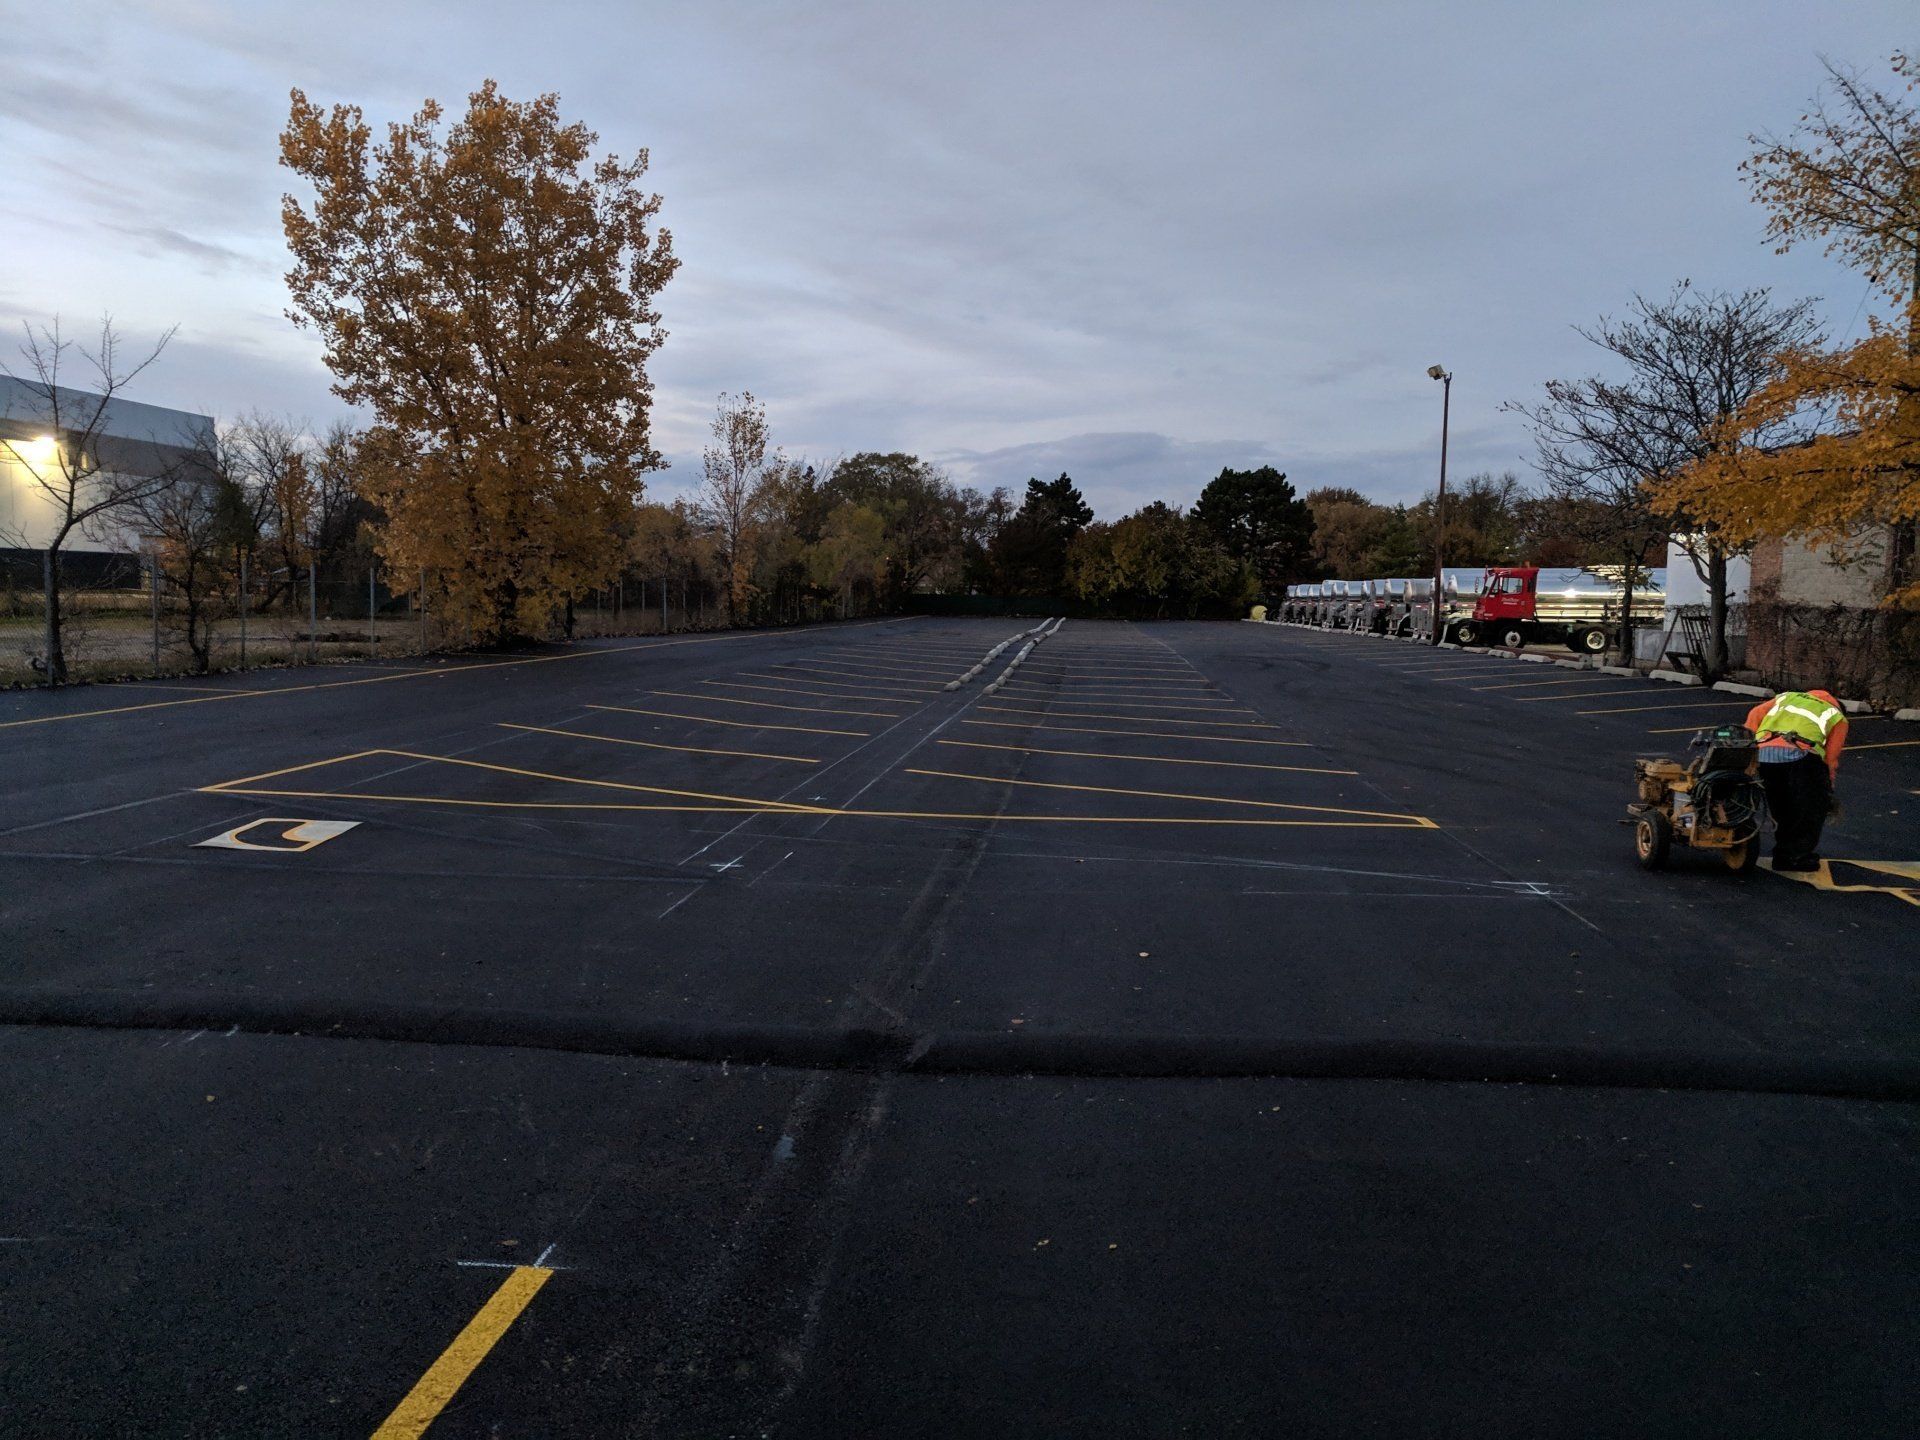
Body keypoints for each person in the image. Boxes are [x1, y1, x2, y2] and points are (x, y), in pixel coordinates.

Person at [1744, 686, 1849, 872]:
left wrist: (1748, 745)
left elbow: (1755, 713)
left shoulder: (1787, 697)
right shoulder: (1837, 716)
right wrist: (1827, 786)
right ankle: (1795, 857)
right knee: (1809, 809)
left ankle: (1784, 853)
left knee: (1782, 807)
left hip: (1765, 754)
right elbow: (1830, 759)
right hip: (1801, 754)